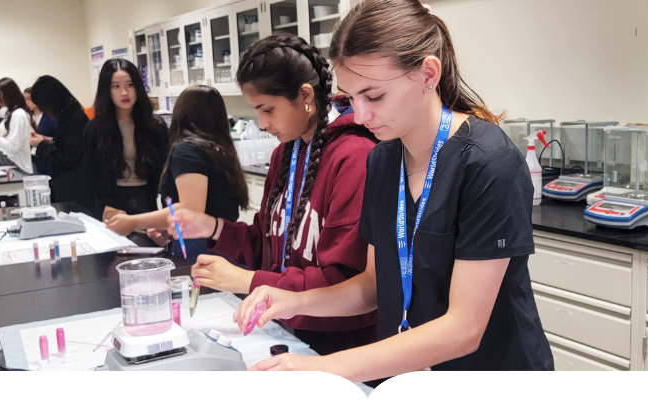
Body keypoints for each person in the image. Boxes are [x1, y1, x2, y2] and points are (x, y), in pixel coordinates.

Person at [229, 0, 554, 381]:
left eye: (374, 96)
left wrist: (325, 367)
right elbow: (372, 286)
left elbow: (464, 328)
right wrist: (294, 301)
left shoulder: (488, 164)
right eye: (351, 98)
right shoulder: (382, 161)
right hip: (409, 377)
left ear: (428, 73)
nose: (361, 115)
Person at [167, 34, 378, 355]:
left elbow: (346, 283)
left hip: (338, 346)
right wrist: (213, 227)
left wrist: (248, 281)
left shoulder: (354, 157)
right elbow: (267, 247)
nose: (263, 123)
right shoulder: (285, 154)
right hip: (283, 328)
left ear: (305, 96)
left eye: (268, 109)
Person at [105, 85, 248, 261]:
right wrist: (169, 228)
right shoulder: (220, 150)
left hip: (200, 245)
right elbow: (210, 206)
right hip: (223, 241)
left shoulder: (187, 150)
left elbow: (191, 210)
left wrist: (132, 222)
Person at [84, 58, 169, 218]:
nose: (124, 92)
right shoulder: (95, 128)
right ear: (106, 90)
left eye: (130, 85)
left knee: (145, 241)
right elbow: (92, 177)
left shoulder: (155, 126)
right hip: (109, 203)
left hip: (146, 198)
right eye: (115, 86)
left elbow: (164, 173)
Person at [28, 75, 93, 211]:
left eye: (43, 106)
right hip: (68, 184)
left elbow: (67, 157)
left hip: (76, 187)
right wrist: (45, 140)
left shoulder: (75, 118)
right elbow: (66, 144)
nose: (44, 111)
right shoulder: (68, 114)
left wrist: (41, 144)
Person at [26, 87, 58, 176]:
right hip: (31, 158)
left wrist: (43, 138)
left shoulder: (50, 117)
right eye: (25, 99)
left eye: (29, 99)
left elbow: (58, 139)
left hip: (46, 159)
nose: (26, 102)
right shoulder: (27, 116)